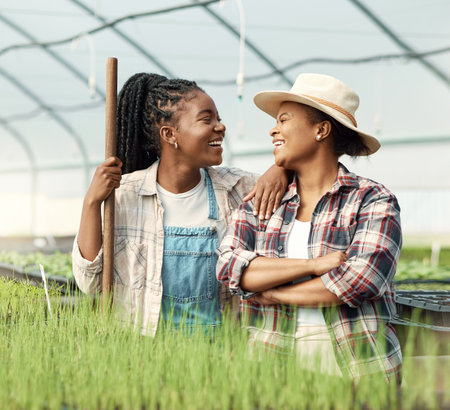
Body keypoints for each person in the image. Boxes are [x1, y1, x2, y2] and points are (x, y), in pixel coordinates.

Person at [216, 73, 402, 382]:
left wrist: (273, 293)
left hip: (361, 374)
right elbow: (230, 268)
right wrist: (314, 266)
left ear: (321, 130)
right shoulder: (261, 203)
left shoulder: (372, 199)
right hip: (272, 375)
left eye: (285, 119)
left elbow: (358, 281)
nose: (274, 128)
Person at [72, 73, 289, 336]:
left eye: (219, 119)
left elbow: (311, 174)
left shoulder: (238, 190)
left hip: (222, 355)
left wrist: (282, 169)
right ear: (169, 134)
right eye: (206, 119)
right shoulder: (121, 195)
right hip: (142, 353)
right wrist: (92, 202)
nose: (220, 127)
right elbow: (89, 282)